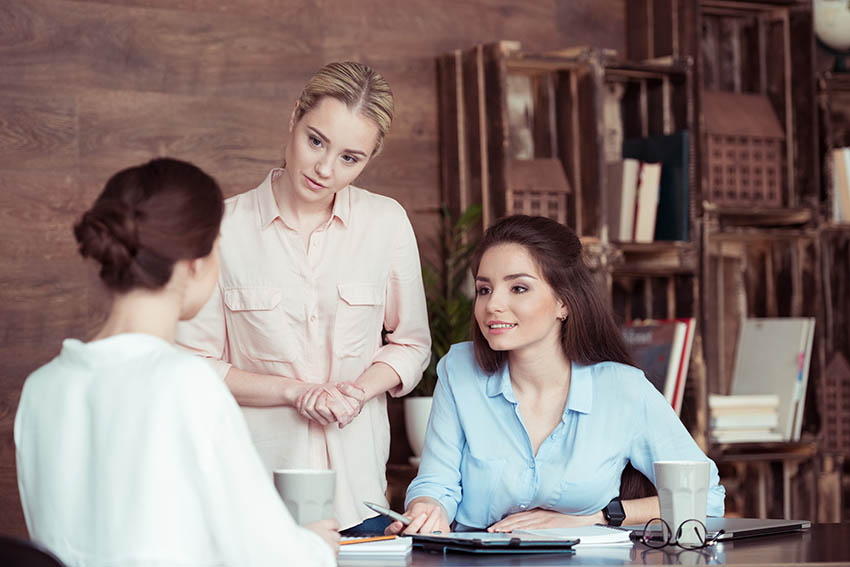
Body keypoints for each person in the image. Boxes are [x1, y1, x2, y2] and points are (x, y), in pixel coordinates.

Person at [15, 158, 337, 566]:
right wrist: (314, 546)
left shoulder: (42, 388)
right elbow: (269, 556)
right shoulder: (185, 384)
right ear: (195, 264)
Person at [176, 61, 431, 534]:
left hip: (359, 500)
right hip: (255, 497)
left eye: (350, 158)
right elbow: (193, 364)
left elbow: (412, 344)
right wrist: (295, 393)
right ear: (294, 117)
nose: (324, 168)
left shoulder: (386, 223)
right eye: (316, 140)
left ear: (370, 159)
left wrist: (358, 392)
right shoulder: (221, 230)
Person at [389, 215, 725, 535]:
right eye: (484, 289)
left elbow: (703, 497)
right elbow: (437, 483)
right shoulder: (459, 370)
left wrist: (597, 518)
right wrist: (425, 508)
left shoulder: (622, 388)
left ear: (563, 302)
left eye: (518, 288)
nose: (492, 305)